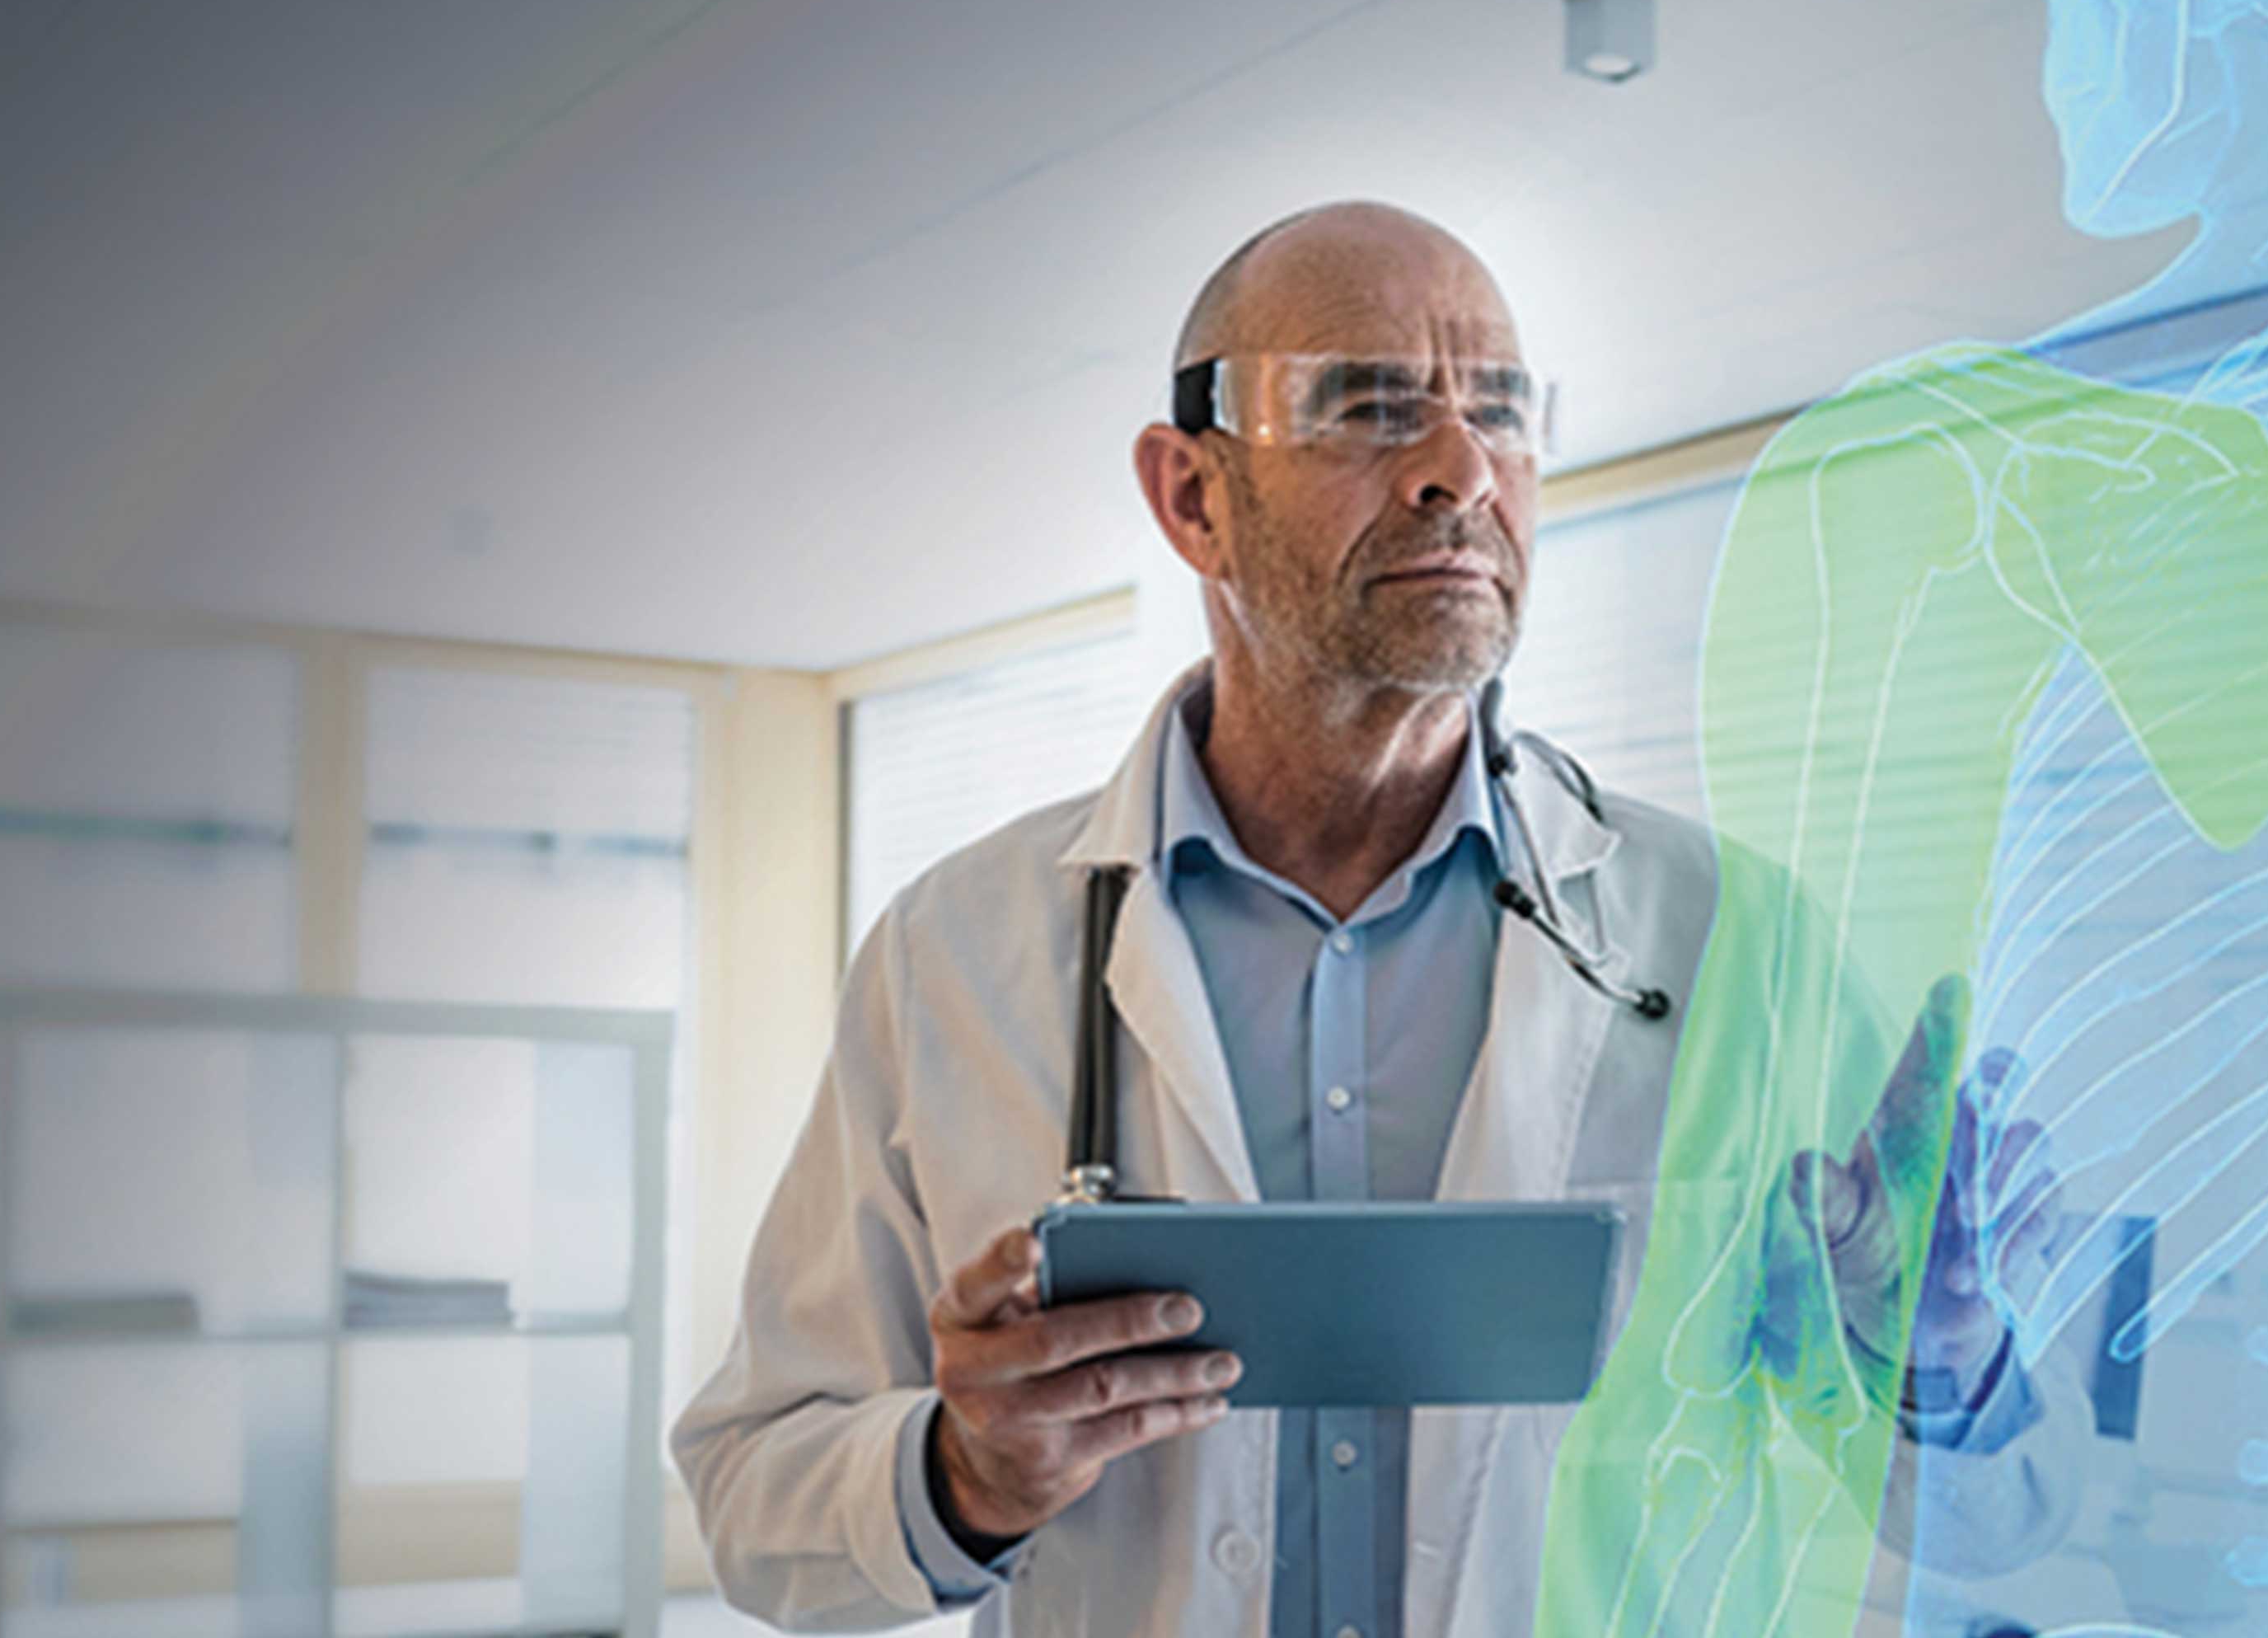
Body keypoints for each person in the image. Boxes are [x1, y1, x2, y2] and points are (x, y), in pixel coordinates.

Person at [672, 202, 2087, 1636]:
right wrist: (964, 1473)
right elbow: (754, 1503)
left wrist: (1941, 1360)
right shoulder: (954, 956)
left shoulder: (1741, 946)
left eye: (1501, 414)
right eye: (1370, 406)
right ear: (1191, 498)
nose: (1462, 469)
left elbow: (1993, 1525)